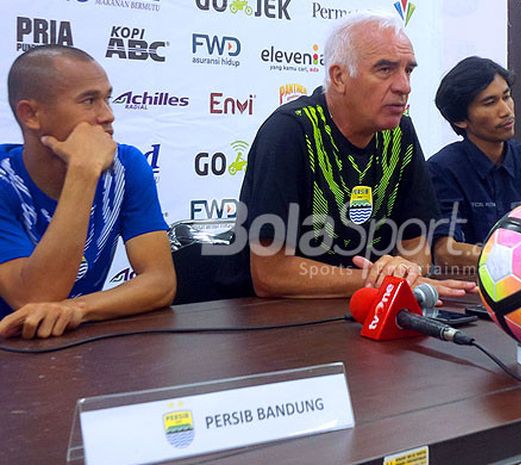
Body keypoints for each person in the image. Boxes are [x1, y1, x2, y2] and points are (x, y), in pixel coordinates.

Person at [218, 11, 475, 299]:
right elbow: (270, 274)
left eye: (408, 70)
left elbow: (415, 242)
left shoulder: (400, 132)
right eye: (385, 69)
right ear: (338, 77)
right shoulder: (290, 131)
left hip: (367, 308)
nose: (404, 86)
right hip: (271, 322)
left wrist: (406, 272)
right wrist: (379, 280)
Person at [0, 45, 175, 339]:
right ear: (31, 114)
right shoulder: (5, 180)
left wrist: (77, 309)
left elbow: (160, 282)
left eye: (107, 99)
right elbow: (34, 298)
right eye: (89, 101)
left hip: (70, 346)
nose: (107, 116)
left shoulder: (127, 166)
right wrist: (82, 173)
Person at [429, 56, 521, 272]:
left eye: (507, 97)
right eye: (490, 102)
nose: (506, 111)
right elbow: (445, 252)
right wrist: (520, 259)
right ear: (460, 119)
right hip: (474, 293)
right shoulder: (442, 170)